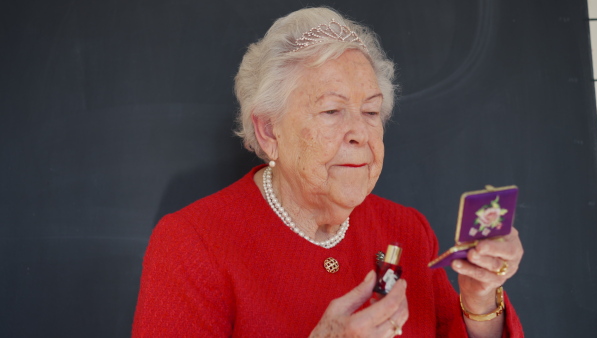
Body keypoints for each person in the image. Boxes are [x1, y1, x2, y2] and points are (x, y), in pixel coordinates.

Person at [132, 7, 524, 337]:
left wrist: (478, 300)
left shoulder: (409, 231)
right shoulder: (192, 243)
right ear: (269, 131)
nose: (360, 133)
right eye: (332, 111)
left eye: (371, 112)